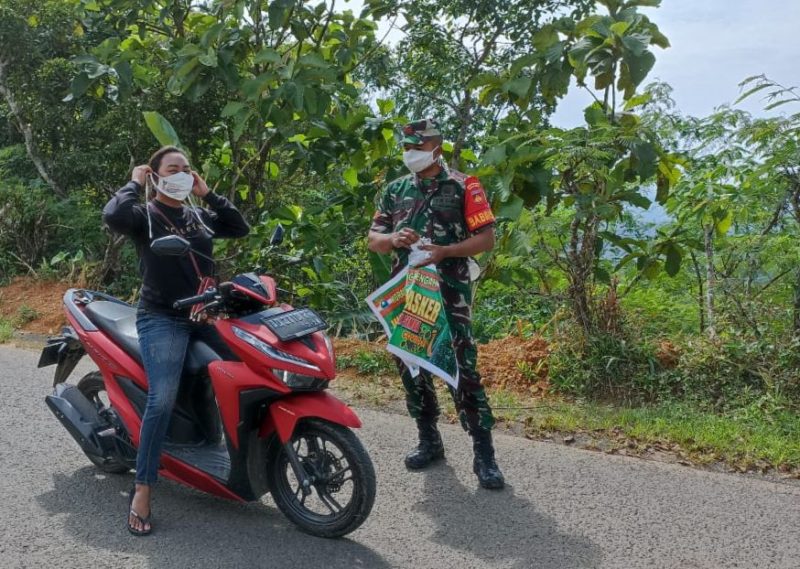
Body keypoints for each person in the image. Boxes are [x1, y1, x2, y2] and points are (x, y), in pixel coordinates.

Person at [102, 146, 250, 535]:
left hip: (205, 316)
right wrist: (134, 183)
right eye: (174, 169)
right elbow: (113, 215)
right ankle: (144, 487)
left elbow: (239, 227)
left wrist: (208, 194)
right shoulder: (145, 216)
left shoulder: (198, 215)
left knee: (251, 371)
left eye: (187, 168)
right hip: (162, 319)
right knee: (162, 398)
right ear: (156, 175)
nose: (183, 174)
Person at [367, 118, 504, 489]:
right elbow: (373, 239)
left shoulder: (464, 186)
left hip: (449, 293)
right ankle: (429, 438)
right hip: (407, 292)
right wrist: (394, 238)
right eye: (405, 147)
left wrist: (445, 251)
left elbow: (486, 238)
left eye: (416, 147)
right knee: (411, 362)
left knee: (462, 364)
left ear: (435, 148)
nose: (409, 153)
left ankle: (483, 453)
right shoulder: (395, 191)